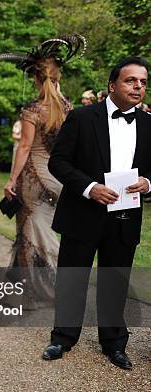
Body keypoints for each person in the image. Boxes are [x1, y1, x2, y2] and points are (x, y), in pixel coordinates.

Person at [42, 56, 150, 370]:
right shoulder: (81, 118)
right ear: (112, 85)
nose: (138, 87)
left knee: (116, 278)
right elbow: (58, 162)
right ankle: (63, 337)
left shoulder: (148, 124)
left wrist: (148, 182)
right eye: (131, 80)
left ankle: (114, 343)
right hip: (83, 212)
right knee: (72, 276)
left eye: (142, 82)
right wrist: (90, 188)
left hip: (126, 215)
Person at [0, 35, 85, 307]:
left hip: (34, 177)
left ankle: (40, 292)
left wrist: (12, 179)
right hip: (59, 179)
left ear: (38, 79)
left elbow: (25, 146)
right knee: (47, 230)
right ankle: (39, 286)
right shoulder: (69, 109)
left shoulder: (33, 110)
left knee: (30, 232)